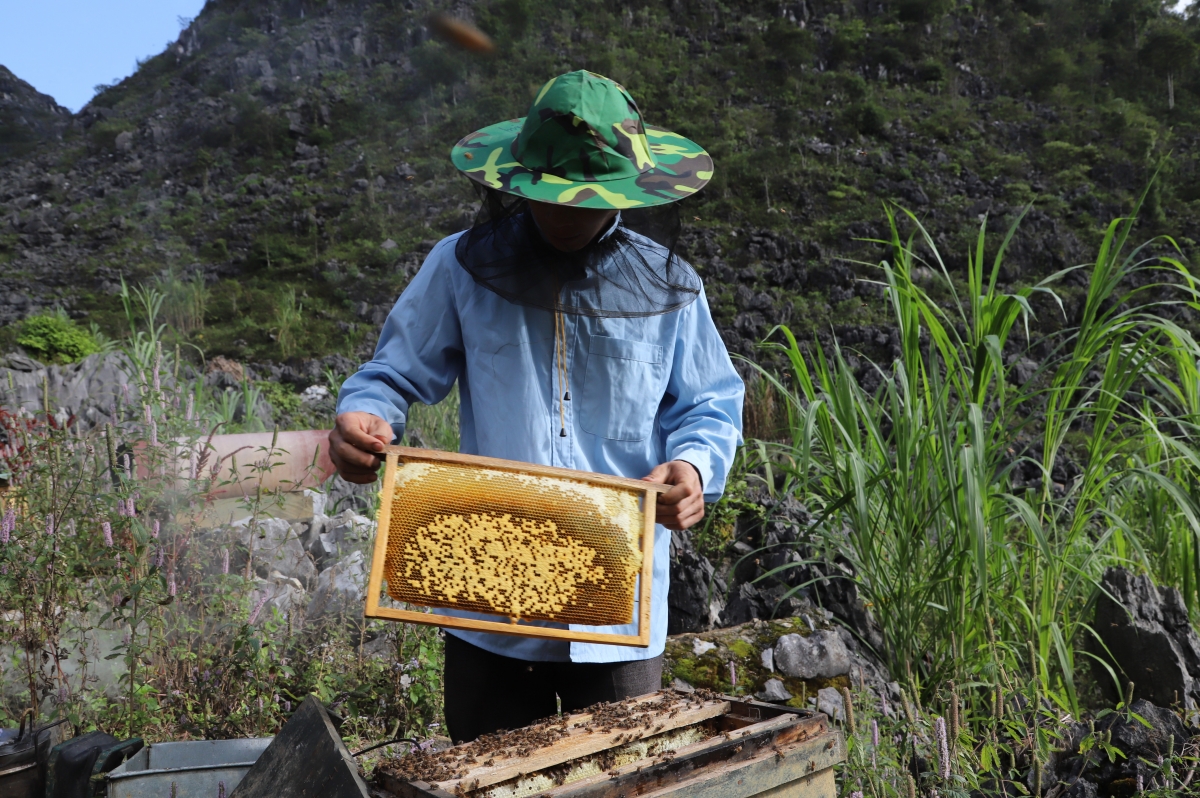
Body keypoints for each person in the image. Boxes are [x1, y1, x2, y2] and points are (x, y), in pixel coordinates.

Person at [329, 70, 744, 743]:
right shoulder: (459, 268)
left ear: (623, 190)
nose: (565, 213)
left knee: (617, 782)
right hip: (489, 606)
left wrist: (694, 468)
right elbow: (391, 376)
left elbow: (709, 404)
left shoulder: (673, 288)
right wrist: (364, 417)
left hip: (618, 612)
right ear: (519, 181)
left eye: (585, 199)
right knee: (484, 778)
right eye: (551, 196)